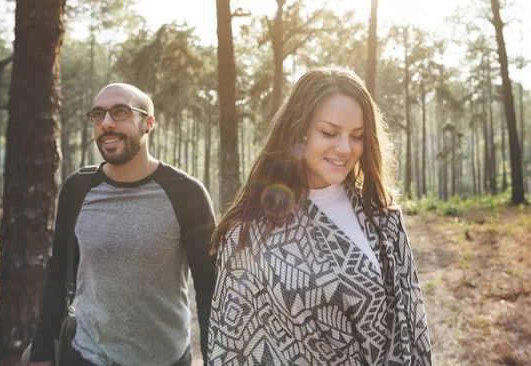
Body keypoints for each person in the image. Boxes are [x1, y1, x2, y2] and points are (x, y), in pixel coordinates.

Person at [208, 68, 432, 365]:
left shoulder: (382, 217)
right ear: (298, 131)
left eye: (357, 136)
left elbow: (413, 320)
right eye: (329, 132)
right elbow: (230, 341)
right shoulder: (249, 233)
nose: (344, 148)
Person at [28, 83, 216, 366]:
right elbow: (58, 271)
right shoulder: (77, 189)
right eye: (98, 115)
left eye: (120, 112)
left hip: (165, 359)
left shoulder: (186, 193)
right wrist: (42, 349)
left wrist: (215, 357)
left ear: (148, 123)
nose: (106, 123)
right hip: (86, 355)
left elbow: (208, 287)